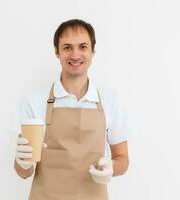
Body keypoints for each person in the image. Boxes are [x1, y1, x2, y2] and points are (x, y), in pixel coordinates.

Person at [11, 19, 136, 200]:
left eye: (83, 47)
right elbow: (24, 173)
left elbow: (122, 159)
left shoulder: (110, 100)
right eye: (67, 47)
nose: (75, 55)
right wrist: (22, 162)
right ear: (57, 52)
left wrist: (111, 168)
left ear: (93, 51)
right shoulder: (34, 100)